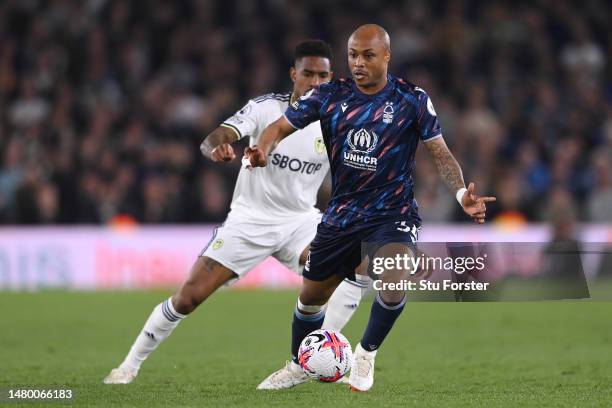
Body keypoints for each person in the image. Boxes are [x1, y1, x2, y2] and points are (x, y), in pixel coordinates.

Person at [103, 40, 370, 385]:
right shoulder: (264, 109)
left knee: (359, 263)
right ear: (294, 74)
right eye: (307, 73)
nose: (315, 82)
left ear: (332, 78)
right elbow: (214, 137)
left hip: (301, 223)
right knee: (188, 297)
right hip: (249, 222)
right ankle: (129, 366)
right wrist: (218, 148)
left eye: (322, 75)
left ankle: (306, 360)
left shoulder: (337, 120)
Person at [248, 24, 496, 392]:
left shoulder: (411, 99)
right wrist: (262, 149)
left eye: (368, 55)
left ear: (387, 56)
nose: (358, 63)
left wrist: (462, 195)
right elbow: (279, 127)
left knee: (394, 277)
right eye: (352, 55)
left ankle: (366, 353)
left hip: (393, 215)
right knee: (310, 301)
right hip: (342, 216)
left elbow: (441, 154)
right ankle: (300, 364)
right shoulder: (329, 95)